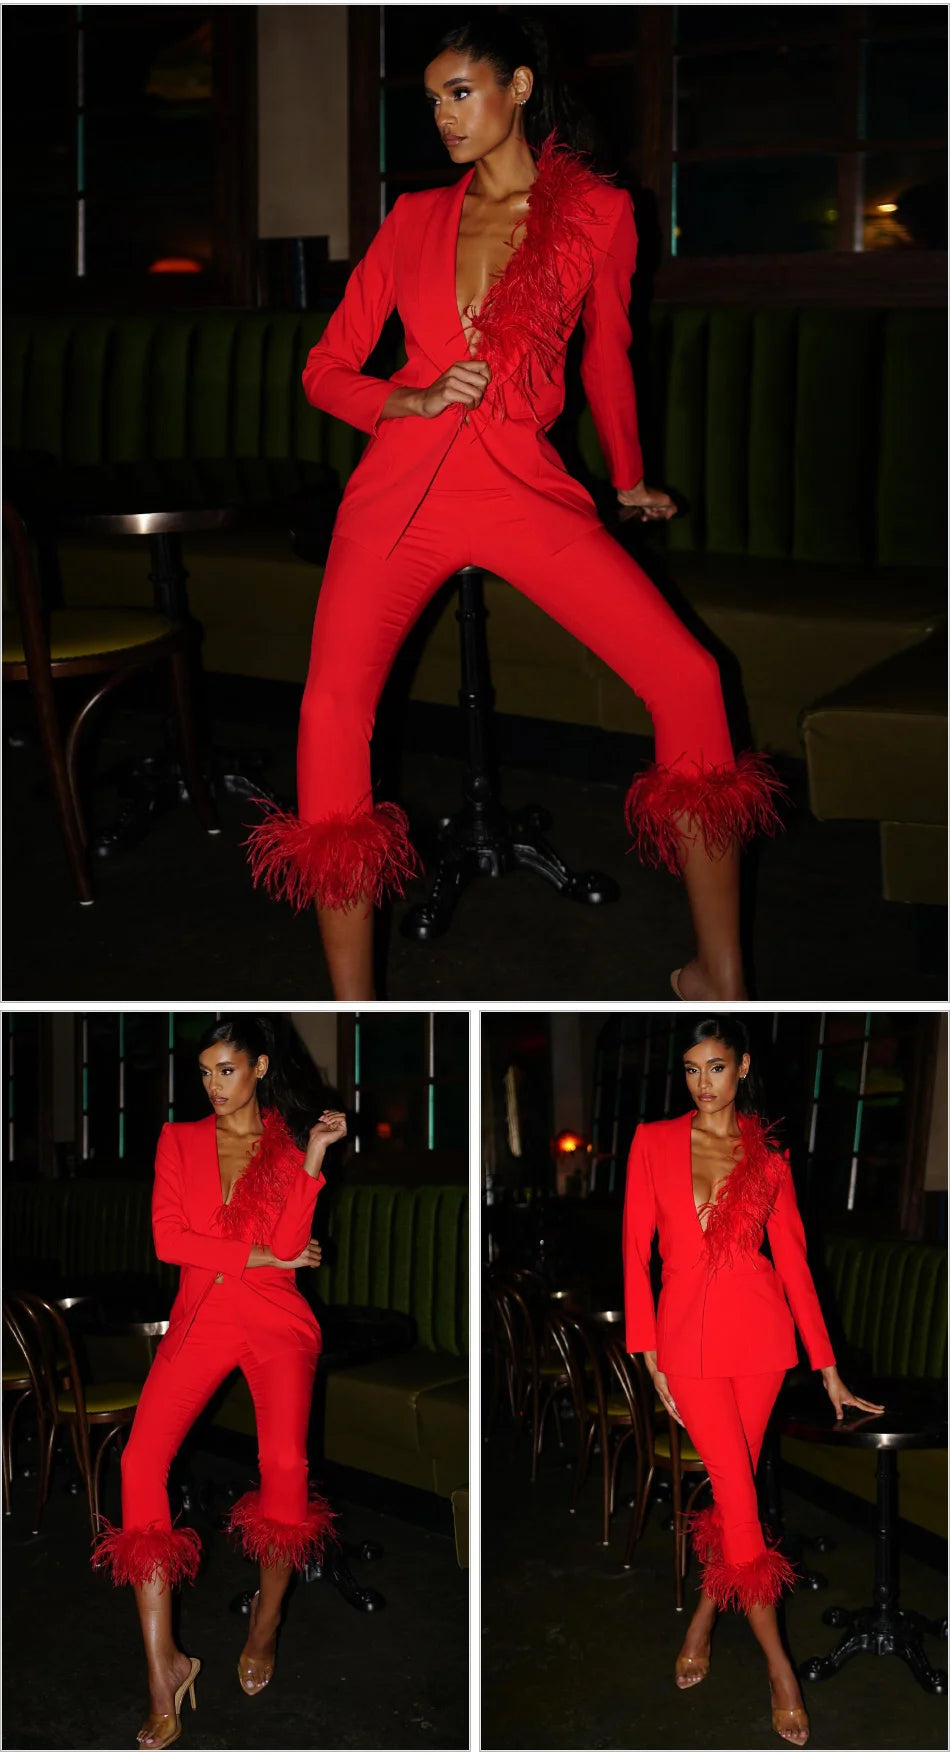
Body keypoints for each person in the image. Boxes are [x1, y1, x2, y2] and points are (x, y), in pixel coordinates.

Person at [246, 12, 785, 1003]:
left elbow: (609, 356)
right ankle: (352, 1007)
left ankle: (720, 973)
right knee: (329, 716)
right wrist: (402, 398)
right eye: (432, 99)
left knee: (689, 678)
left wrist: (625, 476)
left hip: (522, 486)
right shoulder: (411, 218)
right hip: (400, 492)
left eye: (462, 91)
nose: (445, 115)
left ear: (520, 88)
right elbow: (323, 369)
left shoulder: (596, 213)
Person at [622, 1016, 883, 1745]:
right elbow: (634, 1246)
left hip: (762, 1342)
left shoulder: (768, 1156)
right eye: (690, 1069)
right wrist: (648, 1352)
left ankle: (707, 1614)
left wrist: (828, 1368)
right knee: (739, 1496)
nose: (701, 1083)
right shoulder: (654, 1140)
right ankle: (780, 1667)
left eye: (715, 1067)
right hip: (686, 1346)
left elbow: (796, 1264)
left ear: (740, 1071)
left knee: (735, 1493)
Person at [91, 1017, 346, 1750]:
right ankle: (162, 1666)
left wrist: (316, 1158)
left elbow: (298, 1247)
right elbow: (169, 1239)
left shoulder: (291, 1139)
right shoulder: (179, 1140)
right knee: (140, 1462)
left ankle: (265, 1627)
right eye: (204, 1071)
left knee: (287, 1470)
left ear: (260, 1066)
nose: (213, 1083)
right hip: (201, 1313)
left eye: (226, 1069)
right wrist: (260, 1254)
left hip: (275, 1322)